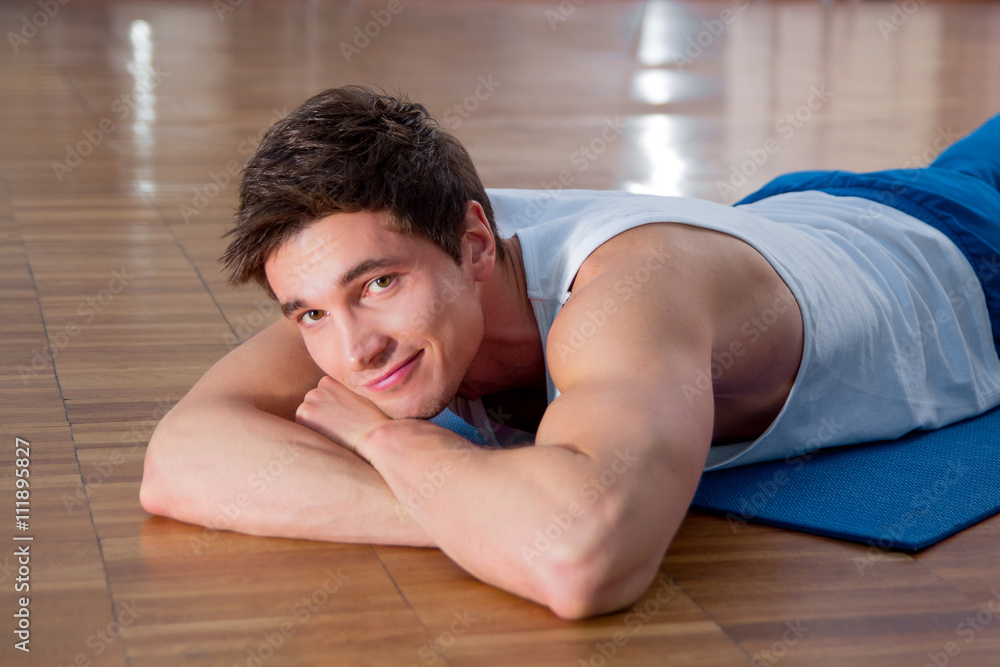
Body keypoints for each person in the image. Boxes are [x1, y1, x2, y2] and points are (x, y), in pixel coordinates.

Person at [139, 86, 1000, 619]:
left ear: (476, 242)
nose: (354, 349)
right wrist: (477, 513)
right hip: (797, 214)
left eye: (377, 286)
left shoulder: (625, 292)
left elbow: (581, 558)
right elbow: (177, 463)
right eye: (308, 314)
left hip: (959, 256)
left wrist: (389, 442)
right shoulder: (376, 280)